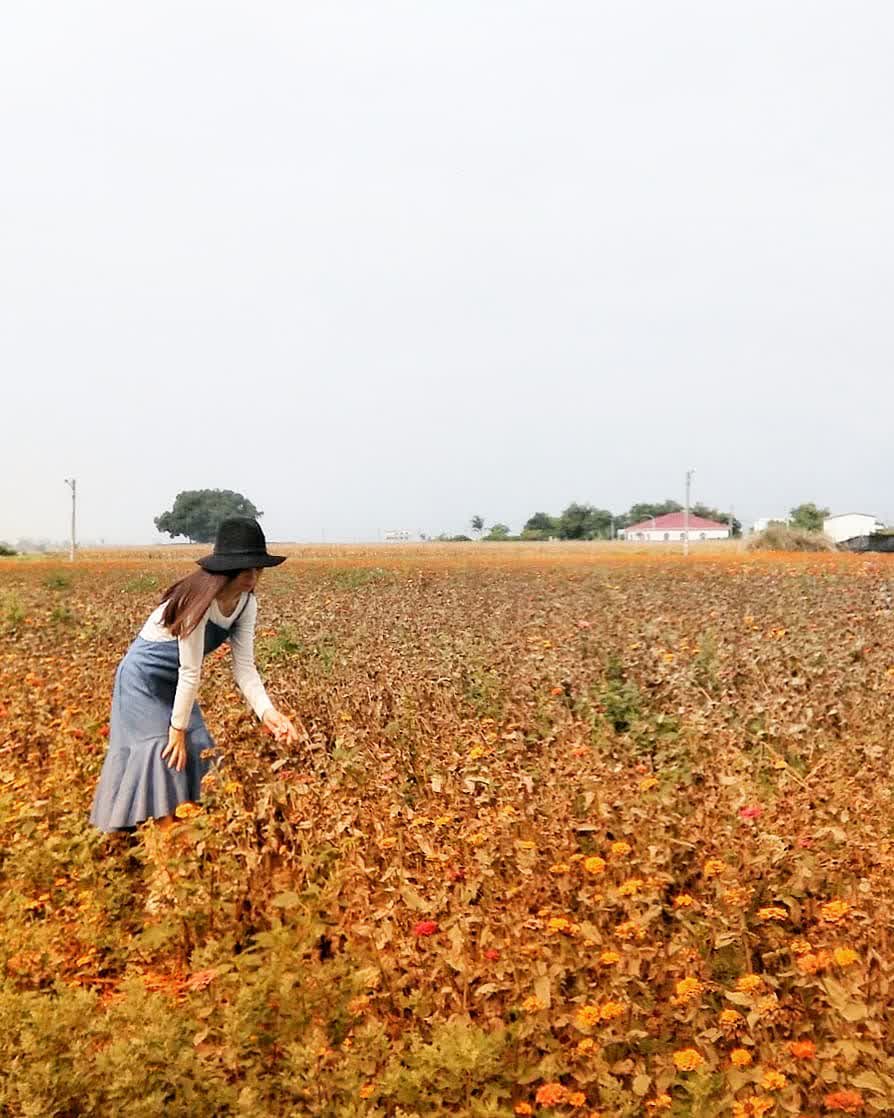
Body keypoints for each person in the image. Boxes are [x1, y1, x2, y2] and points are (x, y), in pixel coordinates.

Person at [89, 516, 298, 836]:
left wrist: (267, 712)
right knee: (165, 751)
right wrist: (176, 730)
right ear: (226, 568)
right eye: (246, 568)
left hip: (174, 682)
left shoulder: (246, 604)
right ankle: (163, 841)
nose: (253, 576)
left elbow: (244, 667)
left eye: (258, 568)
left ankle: (190, 835)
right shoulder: (197, 601)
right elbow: (190, 671)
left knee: (199, 745)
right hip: (142, 680)